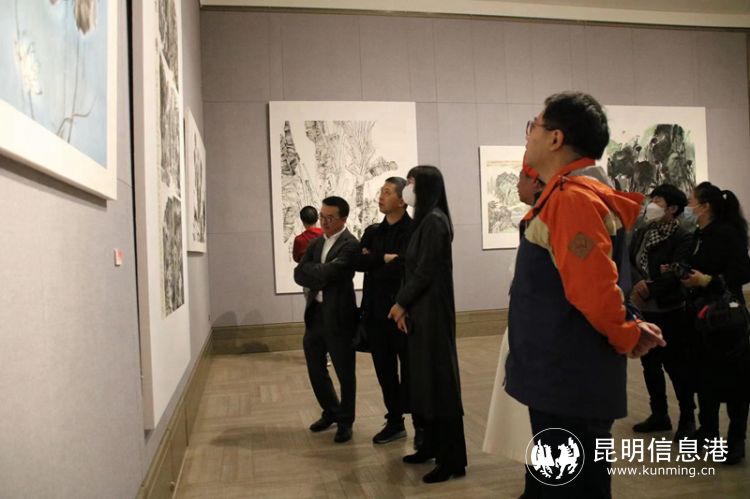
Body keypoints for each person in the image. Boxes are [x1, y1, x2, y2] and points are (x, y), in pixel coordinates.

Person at [505, 92, 665, 498]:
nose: (529, 134)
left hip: (567, 380)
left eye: (534, 125)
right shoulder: (575, 194)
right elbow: (596, 277)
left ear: (555, 138)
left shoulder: (573, 199)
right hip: (569, 376)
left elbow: (593, 288)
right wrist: (628, 324)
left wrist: (627, 332)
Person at [387, 165, 467, 484]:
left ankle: (451, 459)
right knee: (424, 382)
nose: (407, 189)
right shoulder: (426, 220)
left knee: (439, 383)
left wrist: (400, 303)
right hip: (421, 311)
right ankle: (431, 446)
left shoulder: (434, 221)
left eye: (411, 183)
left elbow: (425, 271)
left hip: (432, 312)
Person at [681, 181, 750, 465]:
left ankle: (736, 440)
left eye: (691, 202)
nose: (688, 207)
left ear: (705, 206)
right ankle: (707, 431)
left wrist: (708, 280)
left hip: (725, 318)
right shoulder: (700, 234)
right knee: (704, 376)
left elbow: (742, 272)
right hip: (701, 317)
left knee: (735, 381)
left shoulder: (727, 233)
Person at [483, 161, 544, 462]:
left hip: (539, 331)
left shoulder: (545, 220)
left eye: (522, 178)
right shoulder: (531, 220)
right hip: (525, 323)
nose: (518, 184)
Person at [628, 184, 696, 441]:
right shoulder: (643, 231)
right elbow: (630, 261)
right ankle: (659, 414)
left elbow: (679, 270)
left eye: (658, 200)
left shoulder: (682, 236)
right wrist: (638, 283)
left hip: (670, 310)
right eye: (653, 198)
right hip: (644, 310)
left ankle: (687, 419)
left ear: (673, 208)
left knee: (677, 366)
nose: (652, 204)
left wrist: (651, 288)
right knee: (650, 364)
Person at [355, 178, 416, 445]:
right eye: (381, 191)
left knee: (411, 371)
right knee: (385, 371)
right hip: (375, 313)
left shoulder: (413, 231)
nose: (380, 196)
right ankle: (395, 422)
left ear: (402, 200)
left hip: (403, 314)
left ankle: (421, 425)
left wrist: (374, 261)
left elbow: (406, 267)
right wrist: (382, 258)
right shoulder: (372, 232)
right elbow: (357, 261)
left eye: (387, 192)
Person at [293, 196, 359, 443]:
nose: (324, 221)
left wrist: (315, 272)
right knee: (315, 368)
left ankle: (346, 420)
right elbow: (299, 274)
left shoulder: (350, 244)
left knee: (345, 372)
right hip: (316, 314)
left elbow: (334, 271)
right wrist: (319, 272)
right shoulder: (316, 243)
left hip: (340, 317)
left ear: (343, 219)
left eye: (330, 217)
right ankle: (331, 410)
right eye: (322, 216)